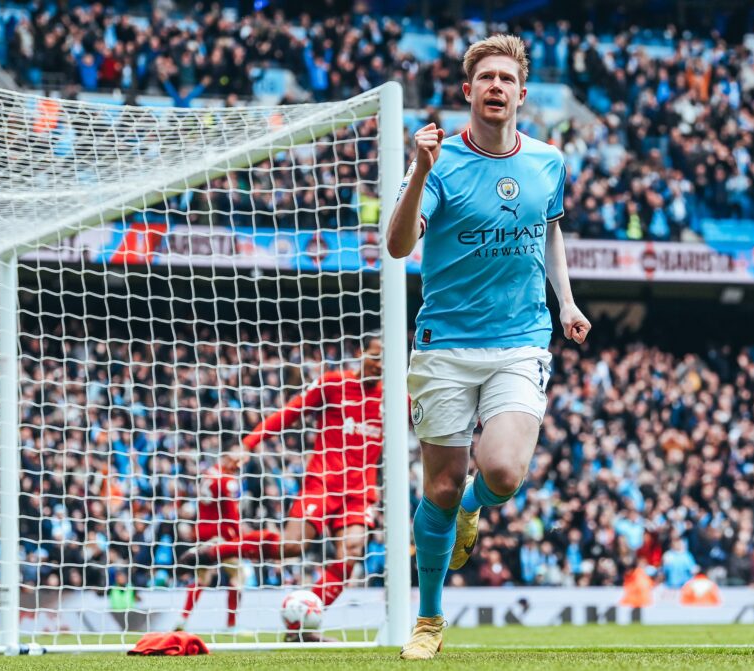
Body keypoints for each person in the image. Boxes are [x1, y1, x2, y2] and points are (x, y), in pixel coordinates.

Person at [386, 34, 590, 660]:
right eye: (486, 78)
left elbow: (548, 233)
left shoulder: (549, 162)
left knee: (502, 471)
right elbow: (397, 247)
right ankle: (428, 619)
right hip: (445, 344)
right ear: (468, 91)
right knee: (440, 490)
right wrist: (418, 170)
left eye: (507, 78)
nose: (496, 87)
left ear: (522, 95)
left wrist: (568, 301)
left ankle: (479, 506)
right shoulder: (438, 160)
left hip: (518, 341)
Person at [181, 338, 384, 641]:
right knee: (292, 546)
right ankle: (217, 551)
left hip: (360, 492)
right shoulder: (332, 384)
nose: (380, 365)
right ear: (361, 354)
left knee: (351, 554)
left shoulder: (396, 398)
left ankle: (301, 627)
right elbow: (290, 412)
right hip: (323, 482)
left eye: (386, 360)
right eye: (376, 357)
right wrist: (248, 444)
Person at [175, 448, 252, 632]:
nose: (239, 464)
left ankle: (182, 620)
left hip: (202, 532)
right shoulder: (227, 481)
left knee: (202, 578)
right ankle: (231, 625)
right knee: (238, 575)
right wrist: (239, 537)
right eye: (237, 460)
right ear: (227, 457)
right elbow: (232, 514)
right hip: (220, 535)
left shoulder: (208, 473)